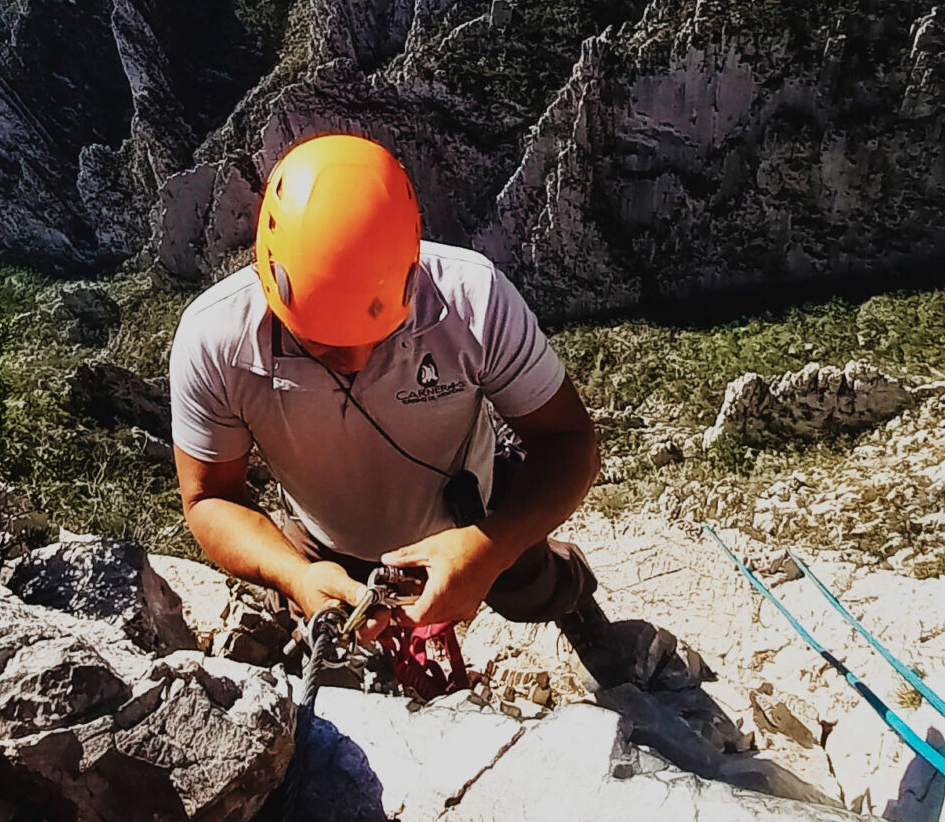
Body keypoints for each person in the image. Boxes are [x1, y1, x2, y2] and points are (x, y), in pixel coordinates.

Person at [170, 132, 629, 683]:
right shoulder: (216, 340)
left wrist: (491, 548)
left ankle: (576, 606)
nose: (354, 360)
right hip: (325, 547)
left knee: (534, 582)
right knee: (340, 638)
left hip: (474, 513)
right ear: (268, 278)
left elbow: (567, 441)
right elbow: (208, 498)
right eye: (323, 343)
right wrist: (294, 576)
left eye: (376, 335)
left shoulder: (473, 301)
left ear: (411, 272)